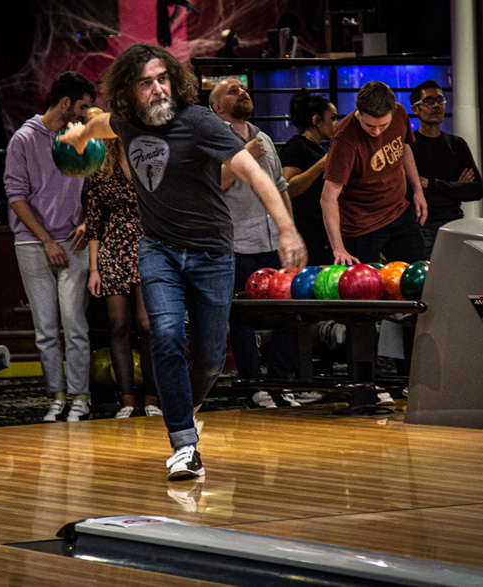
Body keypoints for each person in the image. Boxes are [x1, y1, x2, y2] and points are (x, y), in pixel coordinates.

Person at [60, 43, 307, 481]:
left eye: (162, 79)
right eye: (145, 83)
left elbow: (252, 172)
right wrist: (78, 136)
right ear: (128, 92)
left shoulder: (198, 122)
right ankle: (183, 444)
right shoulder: (126, 122)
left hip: (213, 252)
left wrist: (286, 228)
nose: (157, 90)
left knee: (211, 359)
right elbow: (101, 124)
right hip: (158, 249)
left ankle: (186, 407)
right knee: (164, 332)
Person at [210, 78, 320, 408]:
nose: (242, 92)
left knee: (288, 312)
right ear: (217, 107)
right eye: (233, 91)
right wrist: (243, 155)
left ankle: (278, 382)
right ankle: (254, 386)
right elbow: (212, 185)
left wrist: (292, 232)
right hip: (237, 242)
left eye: (242, 89)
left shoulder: (265, 138)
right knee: (243, 317)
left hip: (273, 240)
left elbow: (280, 185)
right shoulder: (214, 138)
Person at [4, 72, 95, 423]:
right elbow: (15, 196)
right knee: (45, 327)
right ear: (65, 103)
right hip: (33, 243)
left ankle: (80, 396)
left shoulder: (81, 138)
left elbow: (91, 191)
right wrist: (45, 240)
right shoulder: (23, 139)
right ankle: (56, 396)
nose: (86, 114)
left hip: (72, 240)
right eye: (83, 106)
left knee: (74, 323)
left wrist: (87, 222)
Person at [86, 135, 161, 418]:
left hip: (149, 246)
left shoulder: (151, 158)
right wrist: (94, 269)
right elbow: (94, 224)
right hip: (113, 249)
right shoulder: (100, 166)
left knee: (147, 325)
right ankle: (127, 400)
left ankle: (152, 398)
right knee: (118, 325)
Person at [320, 81, 427, 266]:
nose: (377, 131)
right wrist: (338, 248)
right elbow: (328, 197)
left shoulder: (400, 112)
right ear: (359, 113)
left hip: (399, 212)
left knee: (416, 275)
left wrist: (417, 189)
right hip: (362, 225)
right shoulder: (344, 138)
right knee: (364, 288)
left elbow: (404, 147)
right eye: (369, 125)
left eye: (383, 125)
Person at [409, 80, 483, 258]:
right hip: (422, 226)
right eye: (429, 101)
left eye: (440, 100)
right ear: (415, 109)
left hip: (455, 224)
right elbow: (408, 191)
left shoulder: (456, 145)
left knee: (456, 281)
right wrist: (455, 188)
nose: (436, 105)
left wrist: (431, 184)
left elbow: (476, 190)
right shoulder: (408, 146)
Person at [279, 89, 337, 266]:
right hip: (306, 231)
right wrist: (320, 165)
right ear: (316, 120)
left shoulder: (320, 149)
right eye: (333, 118)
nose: (337, 123)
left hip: (320, 231)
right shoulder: (296, 147)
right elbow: (287, 188)